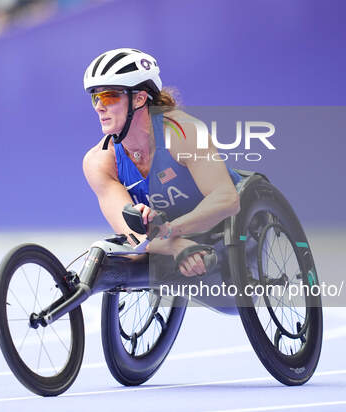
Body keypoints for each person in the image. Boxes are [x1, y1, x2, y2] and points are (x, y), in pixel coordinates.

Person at [82, 48, 242, 277]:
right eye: (95, 97)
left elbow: (227, 199)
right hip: (173, 241)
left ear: (139, 98)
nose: (99, 106)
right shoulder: (98, 161)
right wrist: (174, 245)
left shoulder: (182, 132)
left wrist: (170, 232)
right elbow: (133, 238)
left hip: (229, 228)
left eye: (109, 96)